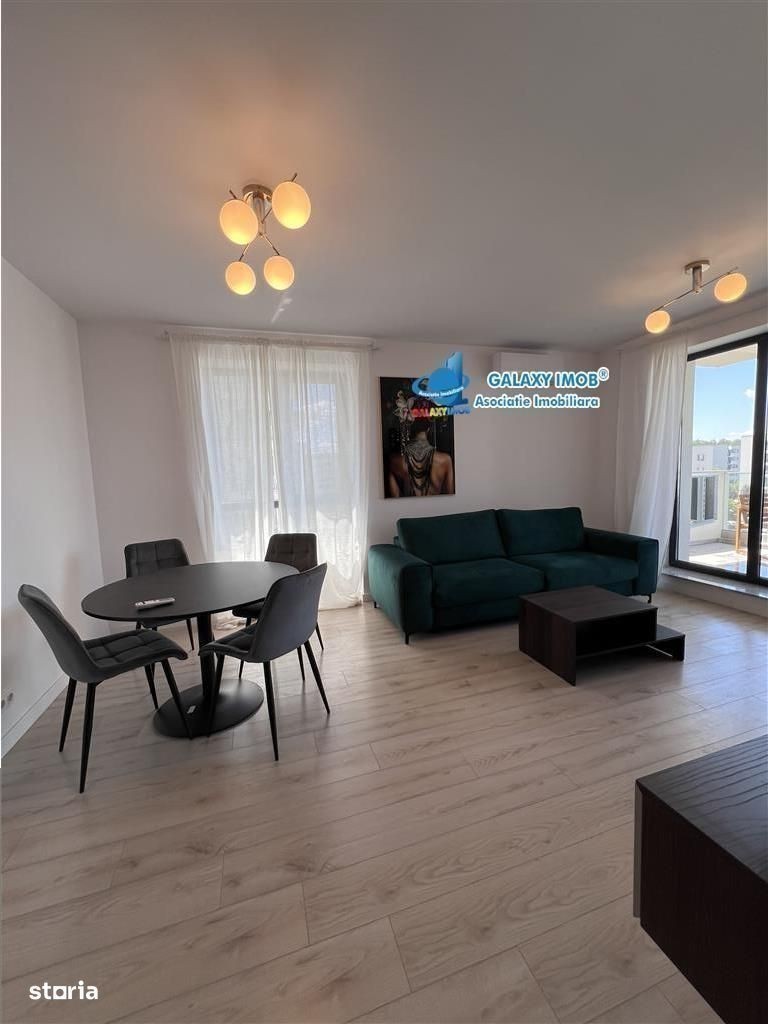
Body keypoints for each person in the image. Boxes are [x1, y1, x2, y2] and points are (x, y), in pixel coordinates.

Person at [386, 416, 455, 496]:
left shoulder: (395, 461)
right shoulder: (445, 460)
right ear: (429, 428)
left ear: (409, 428)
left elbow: (395, 499)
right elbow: (450, 498)